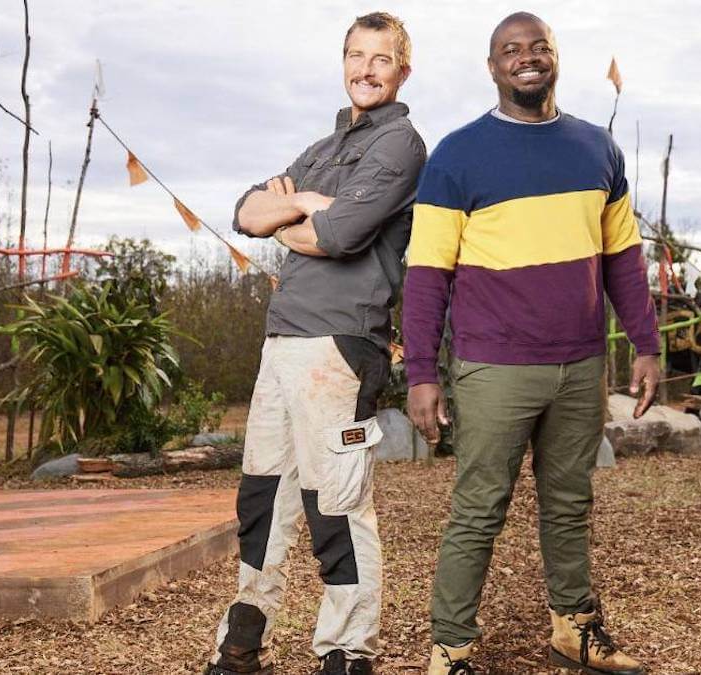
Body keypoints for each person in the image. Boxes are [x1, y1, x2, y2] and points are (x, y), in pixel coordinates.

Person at [403, 12, 659, 675]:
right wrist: (422, 373)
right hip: (493, 366)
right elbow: (428, 274)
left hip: (580, 364)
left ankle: (574, 630)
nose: (526, 57)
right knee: (477, 509)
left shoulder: (597, 150)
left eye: (538, 46)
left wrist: (647, 344)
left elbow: (623, 260)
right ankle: (451, 648)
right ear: (492, 67)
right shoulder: (456, 155)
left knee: (570, 502)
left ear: (556, 58)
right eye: (510, 50)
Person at [205, 12, 425, 675]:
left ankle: (346, 654)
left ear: (401, 70)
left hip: (343, 345)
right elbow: (245, 211)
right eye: (355, 55)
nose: (365, 69)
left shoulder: (401, 145)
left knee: (337, 502)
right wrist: (305, 200)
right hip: (282, 342)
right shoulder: (322, 148)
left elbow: (340, 235)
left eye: (380, 58)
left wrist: (293, 215)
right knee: (262, 497)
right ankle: (241, 645)